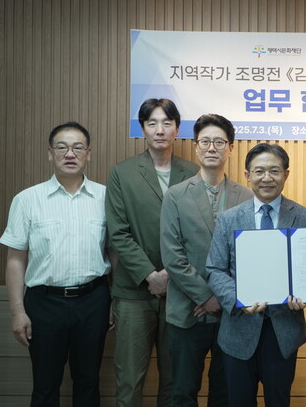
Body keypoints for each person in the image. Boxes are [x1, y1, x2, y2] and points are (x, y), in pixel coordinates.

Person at [0, 122, 114, 407]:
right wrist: (17, 312)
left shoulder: (106, 198)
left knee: (88, 382)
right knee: (44, 384)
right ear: (50, 153)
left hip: (94, 301)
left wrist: (115, 301)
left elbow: (115, 252)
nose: (70, 154)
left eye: (78, 148)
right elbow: (15, 260)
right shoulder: (27, 200)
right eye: (62, 147)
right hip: (44, 303)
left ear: (89, 154)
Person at [206, 143, 306, 407]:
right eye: (259, 171)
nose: (267, 178)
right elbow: (215, 269)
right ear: (248, 175)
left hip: (283, 331)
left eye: (274, 171)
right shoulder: (229, 218)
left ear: (286, 174)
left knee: (279, 401)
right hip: (238, 330)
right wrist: (239, 299)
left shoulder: (304, 217)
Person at [106, 98, 199, 407]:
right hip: (133, 291)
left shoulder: (193, 172)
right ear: (142, 129)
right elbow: (118, 232)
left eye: (167, 123)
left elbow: (198, 233)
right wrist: (150, 275)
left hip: (180, 291)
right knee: (130, 379)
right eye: (152, 123)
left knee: (175, 379)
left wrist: (171, 274)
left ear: (177, 129)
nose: (160, 130)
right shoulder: (122, 173)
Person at [160, 113, 253, 407]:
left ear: (231, 148)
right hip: (188, 311)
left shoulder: (246, 197)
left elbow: (250, 257)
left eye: (219, 142)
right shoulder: (175, 196)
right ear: (196, 147)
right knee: (183, 392)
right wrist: (205, 296)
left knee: (225, 393)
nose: (212, 147)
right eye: (205, 142)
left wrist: (222, 298)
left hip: (231, 313)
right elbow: (172, 256)